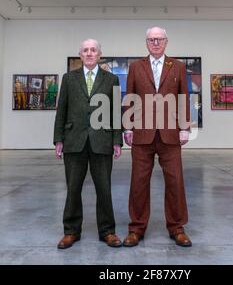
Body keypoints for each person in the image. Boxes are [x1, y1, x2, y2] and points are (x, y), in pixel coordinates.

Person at [123, 27, 192, 247]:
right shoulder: (136, 67)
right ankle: (136, 228)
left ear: (166, 42)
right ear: (146, 42)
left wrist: (185, 127)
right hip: (142, 135)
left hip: (170, 134)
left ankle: (177, 228)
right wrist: (127, 127)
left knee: (175, 181)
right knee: (139, 182)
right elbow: (130, 97)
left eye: (159, 39)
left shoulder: (178, 66)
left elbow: (183, 97)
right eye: (152, 39)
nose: (155, 43)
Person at [53, 39, 123, 249]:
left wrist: (117, 140)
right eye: (86, 50)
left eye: (93, 50)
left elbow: (115, 112)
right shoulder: (68, 78)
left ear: (99, 54)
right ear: (80, 55)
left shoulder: (111, 80)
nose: (90, 53)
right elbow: (61, 110)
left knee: (104, 189)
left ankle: (107, 231)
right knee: (73, 189)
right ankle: (71, 231)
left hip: (102, 141)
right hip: (74, 141)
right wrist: (58, 139)